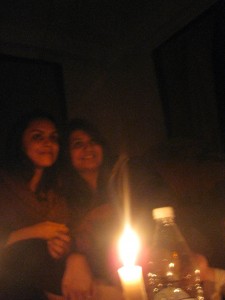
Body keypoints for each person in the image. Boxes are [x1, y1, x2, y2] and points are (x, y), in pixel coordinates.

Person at [59, 118, 177, 296]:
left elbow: (157, 203)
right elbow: (67, 232)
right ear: (67, 153)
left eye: (93, 141)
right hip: (99, 266)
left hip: (143, 248)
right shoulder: (64, 191)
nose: (88, 148)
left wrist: (114, 212)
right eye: (78, 144)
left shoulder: (125, 171)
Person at [0, 110, 71, 299]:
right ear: (20, 142)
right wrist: (36, 231)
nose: (48, 143)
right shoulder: (4, 184)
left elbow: (66, 232)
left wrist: (61, 247)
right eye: (37, 136)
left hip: (50, 278)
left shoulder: (55, 191)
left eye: (53, 137)